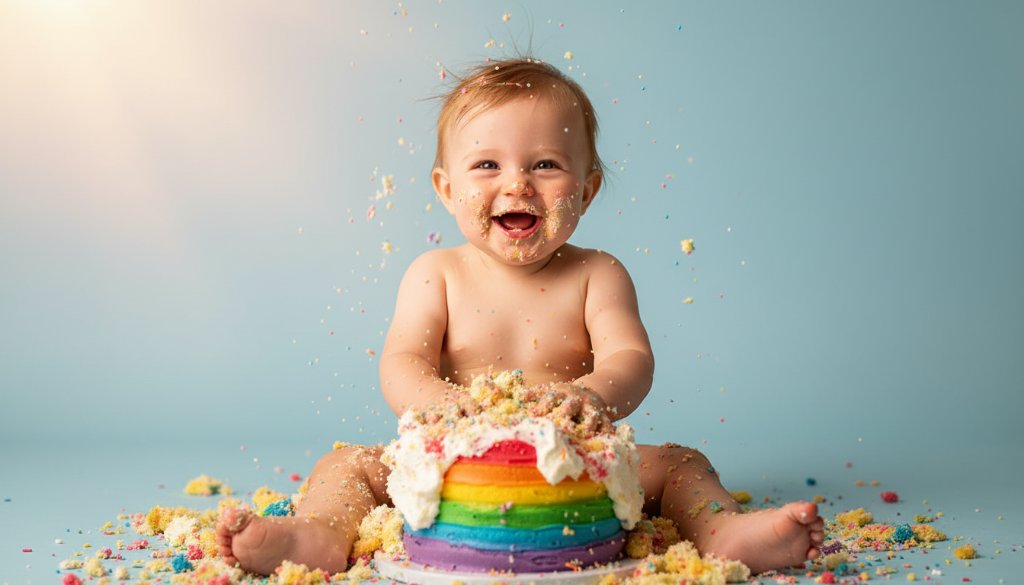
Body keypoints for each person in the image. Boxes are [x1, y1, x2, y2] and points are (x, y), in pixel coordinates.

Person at [217, 58, 824, 576]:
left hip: (577, 459)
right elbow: (402, 359)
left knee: (679, 464)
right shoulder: (436, 273)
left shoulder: (597, 274)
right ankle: (317, 536)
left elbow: (630, 359)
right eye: (487, 166)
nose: (518, 184)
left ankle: (724, 534)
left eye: (545, 165)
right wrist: (432, 400)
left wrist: (592, 394)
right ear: (446, 188)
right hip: (449, 464)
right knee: (346, 464)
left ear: (586, 191)